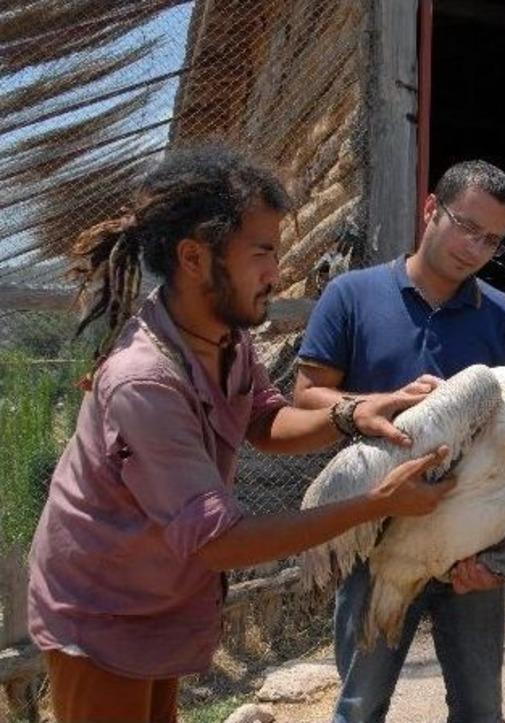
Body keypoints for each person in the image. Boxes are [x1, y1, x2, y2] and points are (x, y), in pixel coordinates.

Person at [26, 147, 455, 723]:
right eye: (262, 251)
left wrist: (351, 413)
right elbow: (220, 543)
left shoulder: (224, 337)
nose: (276, 271)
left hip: (157, 592)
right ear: (194, 257)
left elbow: (265, 421)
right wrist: (375, 505)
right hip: (101, 610)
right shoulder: (145, 382)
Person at [293, 160, 505, 723]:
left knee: (480, 709)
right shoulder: (352, 295)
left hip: (468, 536)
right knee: (360, 706)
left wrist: (497, 547)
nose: (474, 248)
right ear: (430, 209)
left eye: (491, 241)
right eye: (466, 226)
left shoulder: (503, 315)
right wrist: (380, 404)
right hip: (373, 529)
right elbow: (305, 397)